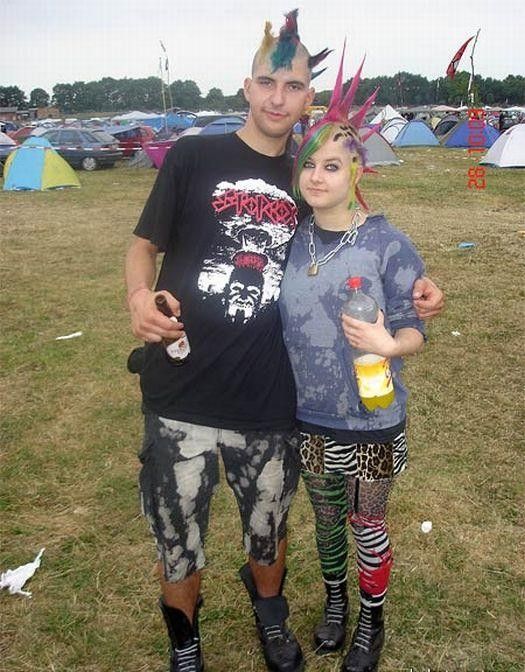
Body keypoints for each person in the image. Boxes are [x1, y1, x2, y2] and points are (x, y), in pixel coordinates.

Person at [125, 11, 444, 672]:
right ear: (247, 86)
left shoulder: (305, 178)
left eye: (293, 85)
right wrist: (137, 297)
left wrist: (416, 287)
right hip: (180, 391)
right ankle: (186, 647)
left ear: (307, 96)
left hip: (272, 403)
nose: (277, 97)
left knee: (270, 530)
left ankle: (274, 620)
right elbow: (143, 245)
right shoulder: (192, 156)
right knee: (177, 540)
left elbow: (358, 237)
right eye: (267, 82)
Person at [279, 46, 428, 672]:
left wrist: (391, 345)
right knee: (326, 519)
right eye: (310, 164)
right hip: (310, 415)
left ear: (357, 171)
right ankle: (336, 601)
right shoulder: (289, 240)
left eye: (333, 166)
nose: (318, 176)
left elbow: (414, 325)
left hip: (372, 415)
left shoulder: (386, 243)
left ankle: (371, 619)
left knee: (368, 521)